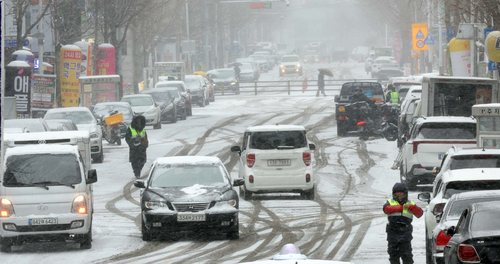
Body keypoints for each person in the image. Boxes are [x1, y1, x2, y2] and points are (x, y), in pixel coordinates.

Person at [383, 183, 423, 264]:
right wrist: (401, 208)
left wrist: (411, 207)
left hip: (405, 233)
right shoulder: (390, 202)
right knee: (393, 256)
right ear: (394, 193)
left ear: (405, 193)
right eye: (398, 193)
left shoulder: (410, 203)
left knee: (407, 257)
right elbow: (386, 209)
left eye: (401, 193)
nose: (400, 194)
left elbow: (419, 213)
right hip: (393, 232)